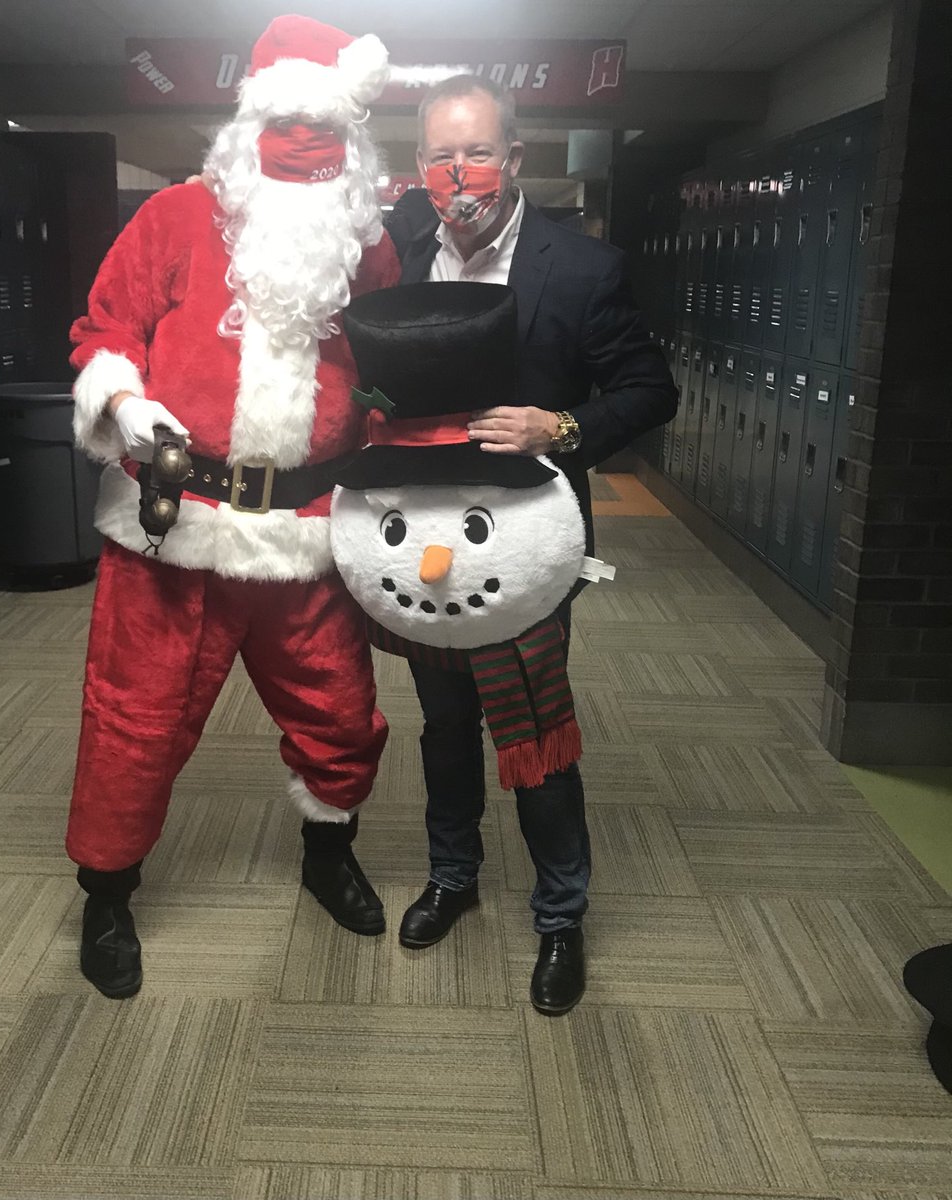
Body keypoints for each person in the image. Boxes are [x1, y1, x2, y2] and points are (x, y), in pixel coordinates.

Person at [66, 14, 401, 999]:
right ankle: (107, 889)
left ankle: (327, 852)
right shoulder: (173, 218)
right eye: (289, 126)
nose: (307, 150)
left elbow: (386, 372)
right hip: (177, 533)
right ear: (251, 122)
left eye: (326, 134)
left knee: (341, 711)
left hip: (309, 537)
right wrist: (128, 407)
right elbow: (103, 333)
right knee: (136, 717)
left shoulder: (364, 245)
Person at [388, 75, 678, 1015]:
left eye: (476, 152)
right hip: (424, 542)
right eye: (440, 154)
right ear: (418, 165)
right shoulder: (392, 249)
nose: (458, 172)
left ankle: (561, 915)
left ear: (513, 160)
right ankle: (454, 875)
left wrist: (558, 424)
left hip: (531, 542)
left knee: (537, 728)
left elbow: (649, 390)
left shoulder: (583, 267)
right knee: (443, 723)